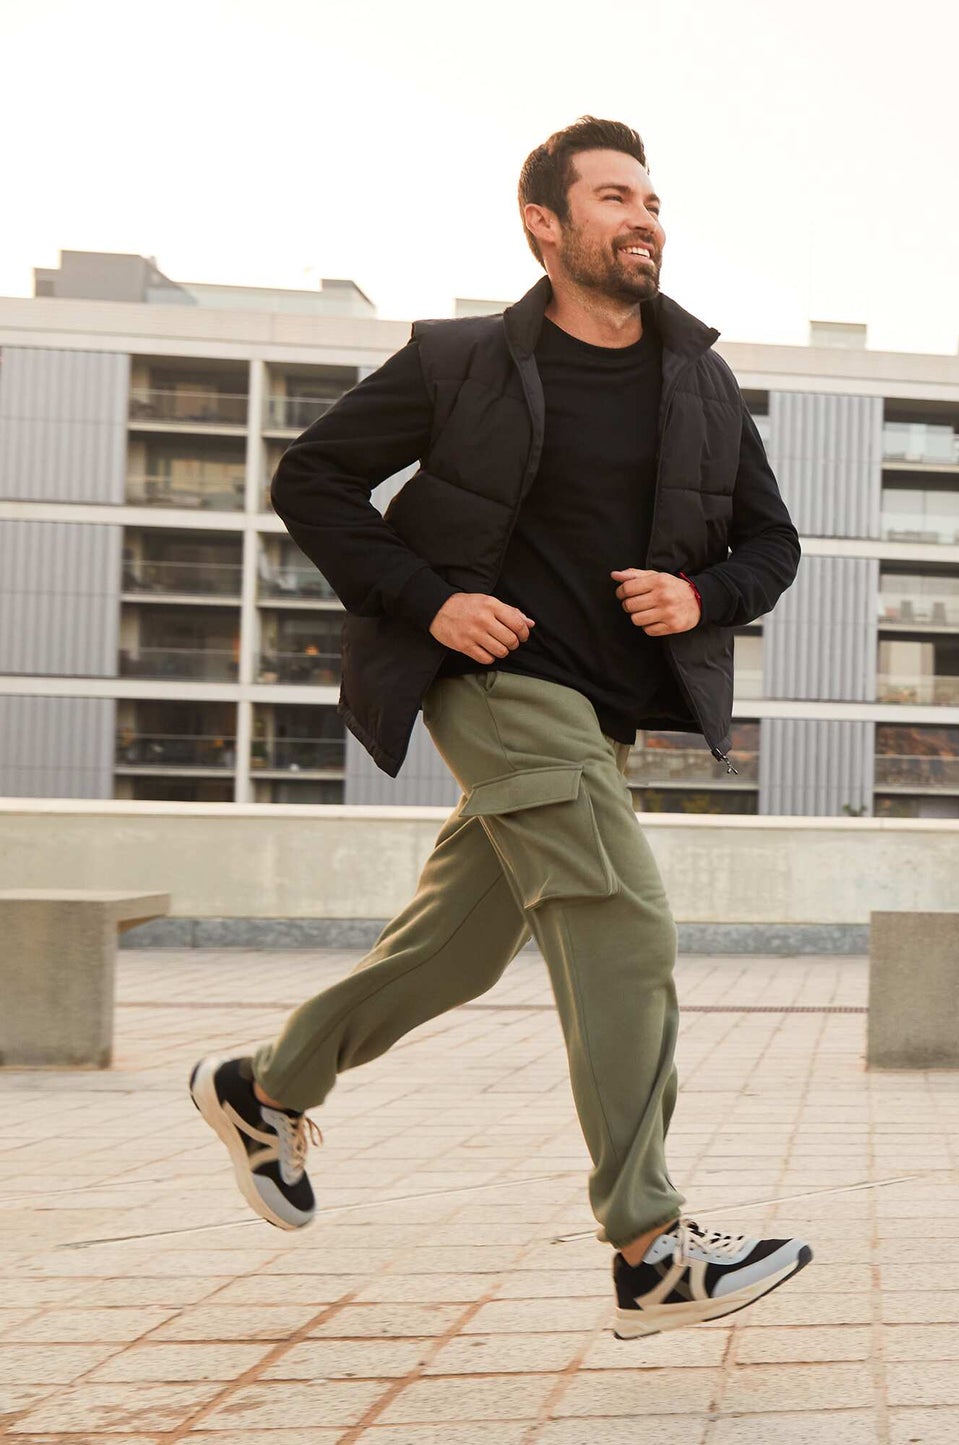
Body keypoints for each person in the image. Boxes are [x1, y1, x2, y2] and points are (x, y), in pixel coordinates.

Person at [189, 116, 811, 1339]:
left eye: (651, 198)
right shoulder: (460, 359)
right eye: (615, 196)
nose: (645, 217)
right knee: (622, 922)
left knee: (458, 950)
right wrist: (431, 598)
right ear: (546, 222)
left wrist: (700, 594)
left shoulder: (697, 377)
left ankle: (261, 1088)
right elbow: (310, 477)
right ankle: (649, 1242)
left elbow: (770, 544)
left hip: (598, 714)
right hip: (494, 683)